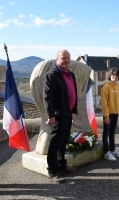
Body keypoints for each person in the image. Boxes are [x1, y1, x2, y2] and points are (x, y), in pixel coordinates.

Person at [43, 50, 77, 183]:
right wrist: (50, 115)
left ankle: (61, 166)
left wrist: (73, 112)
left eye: (68, 58)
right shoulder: (52, 75)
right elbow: (48, 97)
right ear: (57, 60)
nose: (66, 60)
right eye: (63, 58)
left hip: (67, 114)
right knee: (55, 143)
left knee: (63, 141)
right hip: (58, 115)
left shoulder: (71, 74)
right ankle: (52, 172)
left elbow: (73, 93)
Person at [101, 67, 119, 161]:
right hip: (109, 114)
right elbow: (104, 103)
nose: (114, 76)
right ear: (110, 75)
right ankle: (106, 152)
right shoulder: (106, 86)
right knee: (106, 133)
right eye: (113, 74)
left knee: (112, 133)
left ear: (118, 77)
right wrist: (106, 116)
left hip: (116, 113)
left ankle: (113, 150)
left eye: (116, 75)